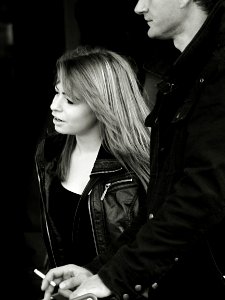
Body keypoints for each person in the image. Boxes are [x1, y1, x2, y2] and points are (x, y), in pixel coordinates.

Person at [41, 0, 225, 299]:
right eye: (56, 92)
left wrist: (114, 278)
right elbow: (159, 209)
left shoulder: (216, 74)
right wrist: (102, 270)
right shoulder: (183, 76)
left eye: (71, 98)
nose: (139, 7)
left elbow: (202, 195)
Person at [35, 45, 151, 296]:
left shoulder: (140, 164)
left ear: (102, 103)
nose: (55, 105)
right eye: (57, 92)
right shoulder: (50, 153)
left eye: (70, 99)